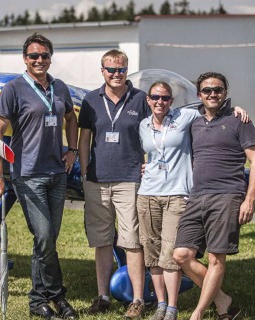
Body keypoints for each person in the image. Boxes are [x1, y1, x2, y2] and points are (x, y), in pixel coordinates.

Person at [138, 82, 249, 320]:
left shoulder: (186, 116)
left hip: (190, 193)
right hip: (160, 192)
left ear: (171, 101)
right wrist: (142, 165)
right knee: (170, 253)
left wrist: (235, 110)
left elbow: (214, 107)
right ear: (148, 99)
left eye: (165, 97)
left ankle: (190, 311)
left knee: (185, 253)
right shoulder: (143, 125)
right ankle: (219, 299)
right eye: (155, 97)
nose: (160, 101)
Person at [0, 33, 79, 320]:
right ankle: (58, 297)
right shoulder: (14, 89)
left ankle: (37, 301)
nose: (39, 60)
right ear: (25, 59)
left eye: (44, 55)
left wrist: (73, 149)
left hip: (56, 173)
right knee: (43, 238)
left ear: (50, 58)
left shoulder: (59, 87)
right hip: (27, 176)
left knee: (47, 241)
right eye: (33, 56)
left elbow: (71, 118)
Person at [172, 72, 255, 320]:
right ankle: (223, 300)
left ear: (225, 92)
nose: (213, 94)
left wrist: (249, 199)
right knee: (181, 255)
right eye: (207, 90)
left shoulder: (239, 120)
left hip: (227, 195)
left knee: (215, 258)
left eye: (218, 90)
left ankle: (198, 313)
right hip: (197, 195)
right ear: (199, 94)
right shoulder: (194, 122)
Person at [77, 49, 149, 319]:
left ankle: (138, 300)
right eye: (111, 70)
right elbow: (84, 138)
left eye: (121, 69)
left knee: (132, 241)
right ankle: (103, 296)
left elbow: (154, 132)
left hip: (130, 179)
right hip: (96, 180)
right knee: (102, 241)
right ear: (102, 71)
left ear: (126, 70)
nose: (116, 74)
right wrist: (84, 171)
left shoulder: (141, 99)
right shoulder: (90, 100)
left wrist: (149, 163)